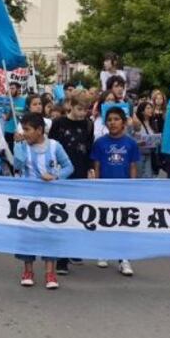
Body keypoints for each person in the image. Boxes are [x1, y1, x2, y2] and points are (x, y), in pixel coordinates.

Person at [13, 113, 74, 290]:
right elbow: (17, 165)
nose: (24, 133)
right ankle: (28, 271)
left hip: (50, 199)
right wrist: (17, 146)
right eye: (22, 129)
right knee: (27, 235)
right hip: (27, 199)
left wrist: (55, 176)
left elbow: (69, 167)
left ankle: (50, 272)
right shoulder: (23, 145)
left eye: (27, 129)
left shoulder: (55, 146)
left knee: (50, 234)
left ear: (39, 130)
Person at [48, 93, 95, 275]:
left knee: (77, 212)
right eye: (79, 109)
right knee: (62, 212)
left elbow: (89, 148)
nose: (83, 113)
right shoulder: (59, 123)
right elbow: (51, 147)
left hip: (80, 172)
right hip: (61, 173)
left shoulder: (88, 125)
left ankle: (73, 250)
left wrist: (90, 168)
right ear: (71, 106)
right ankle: (61, 258)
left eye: (86, 110)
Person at [90, 107, 140, 276]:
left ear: (124, 122)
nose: (112, 122)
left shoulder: (131, 143)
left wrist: (132, 187)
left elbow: (133, 166)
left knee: (123, 224)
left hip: (124, 190)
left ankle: (124, 259)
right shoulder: (100, 143)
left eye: (116, 119)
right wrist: (96, 185)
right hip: (104, 189)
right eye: (109, 119)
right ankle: (103, 252)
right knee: (104, 220)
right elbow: (96, 166)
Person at [133, 101, 159, 178]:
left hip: (150, 153)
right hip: (139, 153)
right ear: (142, 111)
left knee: (148, 176)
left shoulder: (153, 123)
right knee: (139, 175)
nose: (150, 110)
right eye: (148, 108)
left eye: (151, 108)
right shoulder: (137, 123)